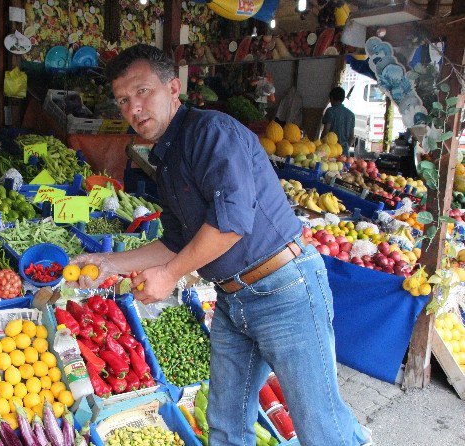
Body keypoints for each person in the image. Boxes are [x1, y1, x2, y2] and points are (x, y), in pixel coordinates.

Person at [71, 44, 371, 446]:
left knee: (320, 427)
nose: (134, 108)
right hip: (233, 299)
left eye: (143, 92)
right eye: (124, 100)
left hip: (284, 290)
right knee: (226, 424)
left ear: (173, 88)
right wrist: (110, 263)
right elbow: (177, 241)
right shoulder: (167, 155)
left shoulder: (210, 133)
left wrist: (170, 275)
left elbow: (231, 225)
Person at [321, 87, 356, 152]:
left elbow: (325, 131)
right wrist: (346, 148)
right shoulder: (351, 114)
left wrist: (320, 144)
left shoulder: (330, 111)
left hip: (330, 151)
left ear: (331, 98)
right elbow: (352, 137)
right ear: (343, 99)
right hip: (344, 152)